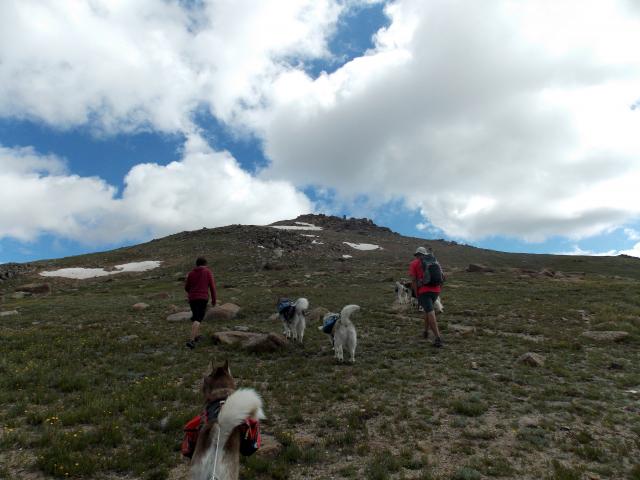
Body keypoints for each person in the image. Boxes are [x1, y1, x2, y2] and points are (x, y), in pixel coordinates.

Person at [409, 246, 444, 347]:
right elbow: (442, 277)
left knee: (430, 312)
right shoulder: (434, 261)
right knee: (427, 310)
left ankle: (438, 338)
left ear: (417, 255)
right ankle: (425, 332)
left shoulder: (414, 263)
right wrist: (438, 290)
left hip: (424, 291)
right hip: (436, 290)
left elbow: (414, 280)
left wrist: (416, 294)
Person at [185, 256, 217, 349]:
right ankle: (191, 341)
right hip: (202, 298)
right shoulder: (207, 272)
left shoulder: (191, 273)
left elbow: (186, 288)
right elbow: (212, 287)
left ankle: (196, 336)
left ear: (197, 264)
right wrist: (214, 300)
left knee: (195, 317)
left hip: (192, 299)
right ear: (205, 264)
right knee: (198, 319)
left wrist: (192, 293)